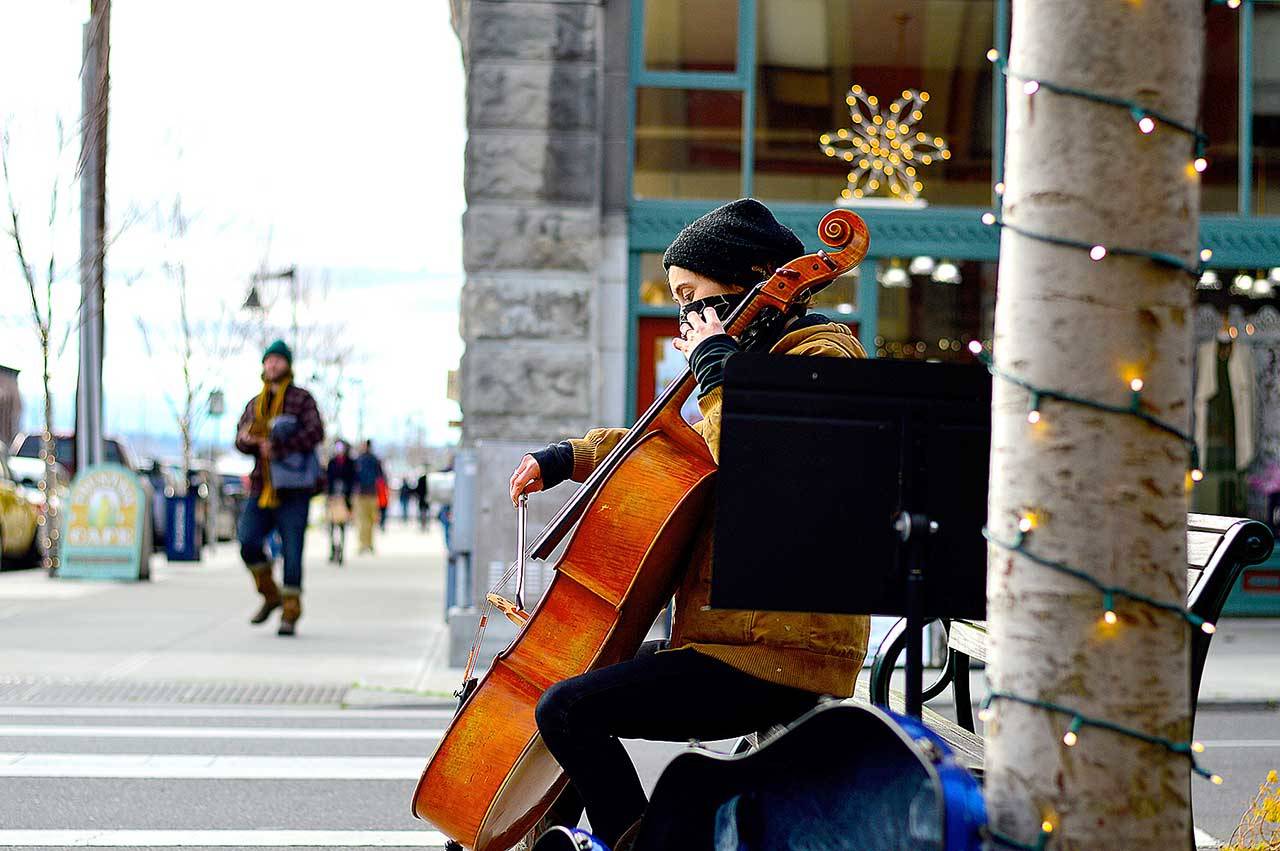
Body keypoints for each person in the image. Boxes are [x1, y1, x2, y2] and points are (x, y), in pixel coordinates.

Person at [508, 199, 871, 848]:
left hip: (780, 652)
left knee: (569, 709)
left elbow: (763, 462)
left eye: (691, 295)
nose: (684, 316)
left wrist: (715, 363)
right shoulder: (745, 357)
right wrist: (570, 455)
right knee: (569, 688)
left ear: (750, 277)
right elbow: (672, 444)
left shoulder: (822, 354)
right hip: (727, 637)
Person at [234, 339, 324, 637]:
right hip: (262, 485)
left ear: (287, 364)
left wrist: (280, 447)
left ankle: (290, 611)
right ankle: (270, 594)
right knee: (247, 540)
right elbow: (239, 438)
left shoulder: (301, 399)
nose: (272, 365)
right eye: (268, 360)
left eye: (277, 360)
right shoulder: (255, 403)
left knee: (292, 550)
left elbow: (316, 432)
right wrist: (250, 441)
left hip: (294, 488)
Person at [325, 439, 356, 564]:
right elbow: (328, 478)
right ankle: (333, 550)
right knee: (332, 526)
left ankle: (342, 551)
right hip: (333, 497)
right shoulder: (332, 462)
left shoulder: (350, 463)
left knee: (343, 526)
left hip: (345, 497)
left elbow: (353, 479)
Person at [353, 439, 384, 554]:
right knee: (365, 521)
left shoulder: (363, 460)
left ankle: (367, 544)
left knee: (368, 520)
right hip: (366, 493)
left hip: (368, 493)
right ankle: (365, 544)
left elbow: (380, 477)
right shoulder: (371, 460)